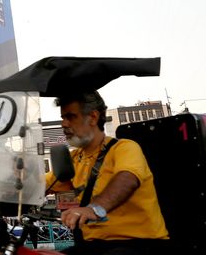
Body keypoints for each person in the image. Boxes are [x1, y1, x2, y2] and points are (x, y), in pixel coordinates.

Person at [45, 90, 169, 255]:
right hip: (94, 247)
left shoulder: (124, 148)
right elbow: (38, 184)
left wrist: (94, 209)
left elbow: (128, 178)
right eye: (63, 118)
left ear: (93, 117)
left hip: (139, 245)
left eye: (71, 117)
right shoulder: (73, 159)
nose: (64, 124)